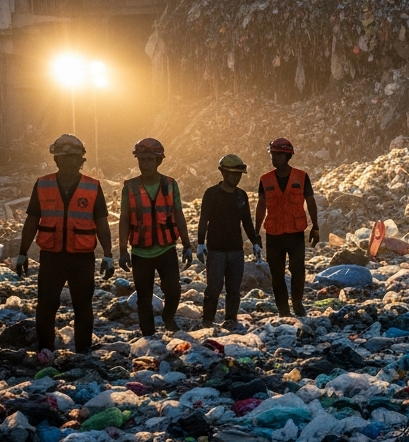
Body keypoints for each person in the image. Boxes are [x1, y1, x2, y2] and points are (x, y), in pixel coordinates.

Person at [15, 134, 113, 354]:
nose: (69, 162)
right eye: (64, 157)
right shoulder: (43, 184)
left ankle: (83, 352)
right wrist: (22, 253)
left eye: (74, 158)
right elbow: (32, 220)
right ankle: (45, 350)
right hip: (52, 256)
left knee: (83, 307)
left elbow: (102, 224)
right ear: (56, 160)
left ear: (81, 160)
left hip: (82, 257)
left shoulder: (93, 187)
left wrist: (108, 254)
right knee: (46, 306)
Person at [118, 137, 193, 335]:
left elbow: (178, 214)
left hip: (166, 247)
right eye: (142, 160)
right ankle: (149, 334)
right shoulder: (130, 187)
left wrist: (187, 244)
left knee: (173, 290)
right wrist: (123, 250)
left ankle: (168, 318)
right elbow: (124, 219)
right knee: (144, 296)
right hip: (140, 251)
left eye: (150, 160)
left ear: (158, 161)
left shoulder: (170, 184)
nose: (145, 164)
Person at [255, 137, 319, 318]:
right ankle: (283, 309)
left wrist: (316, 227)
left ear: (287, 156)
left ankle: (297, 303)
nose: (274, 159)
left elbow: (311, 202)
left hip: (295, 233)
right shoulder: (265, 179)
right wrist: (256, 231)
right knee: (277, 274)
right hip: (273, 234)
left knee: (298, 270)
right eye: (272, 155)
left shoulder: (301, 176)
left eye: (277, 155)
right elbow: (261, 206)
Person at [198, 154, 261, 329]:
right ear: (224, 173)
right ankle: (207, 321)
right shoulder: (211, 194)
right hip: (216, 249)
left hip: (236, 250)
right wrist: (200, 243)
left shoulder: (241, 196)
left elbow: (247, 221)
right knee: (213, 288)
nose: (236, 177)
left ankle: (231, 320)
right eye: (233, 174)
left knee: (234, 290)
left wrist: (255, 241)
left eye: (239, 174)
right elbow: (204, 220)